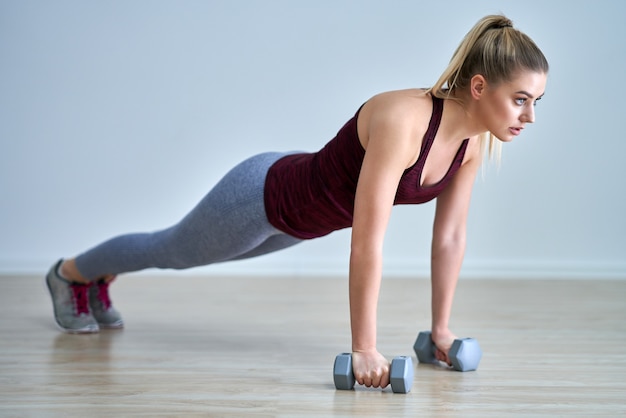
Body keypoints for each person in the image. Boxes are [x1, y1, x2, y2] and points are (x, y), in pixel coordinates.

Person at [45, 14, 548, 389]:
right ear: (479, 86)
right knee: (173, 250)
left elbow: (450, 238)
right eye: (520, 99)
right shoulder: (405, 119)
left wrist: (441, 330)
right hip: (263, 197)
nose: (528, 117)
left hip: (301, 221)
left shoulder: (469, 148)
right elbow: (367, 244)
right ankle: (71, 274)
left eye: (536, 103)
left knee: (177, 252)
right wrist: (364, 348)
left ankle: (97, 273)